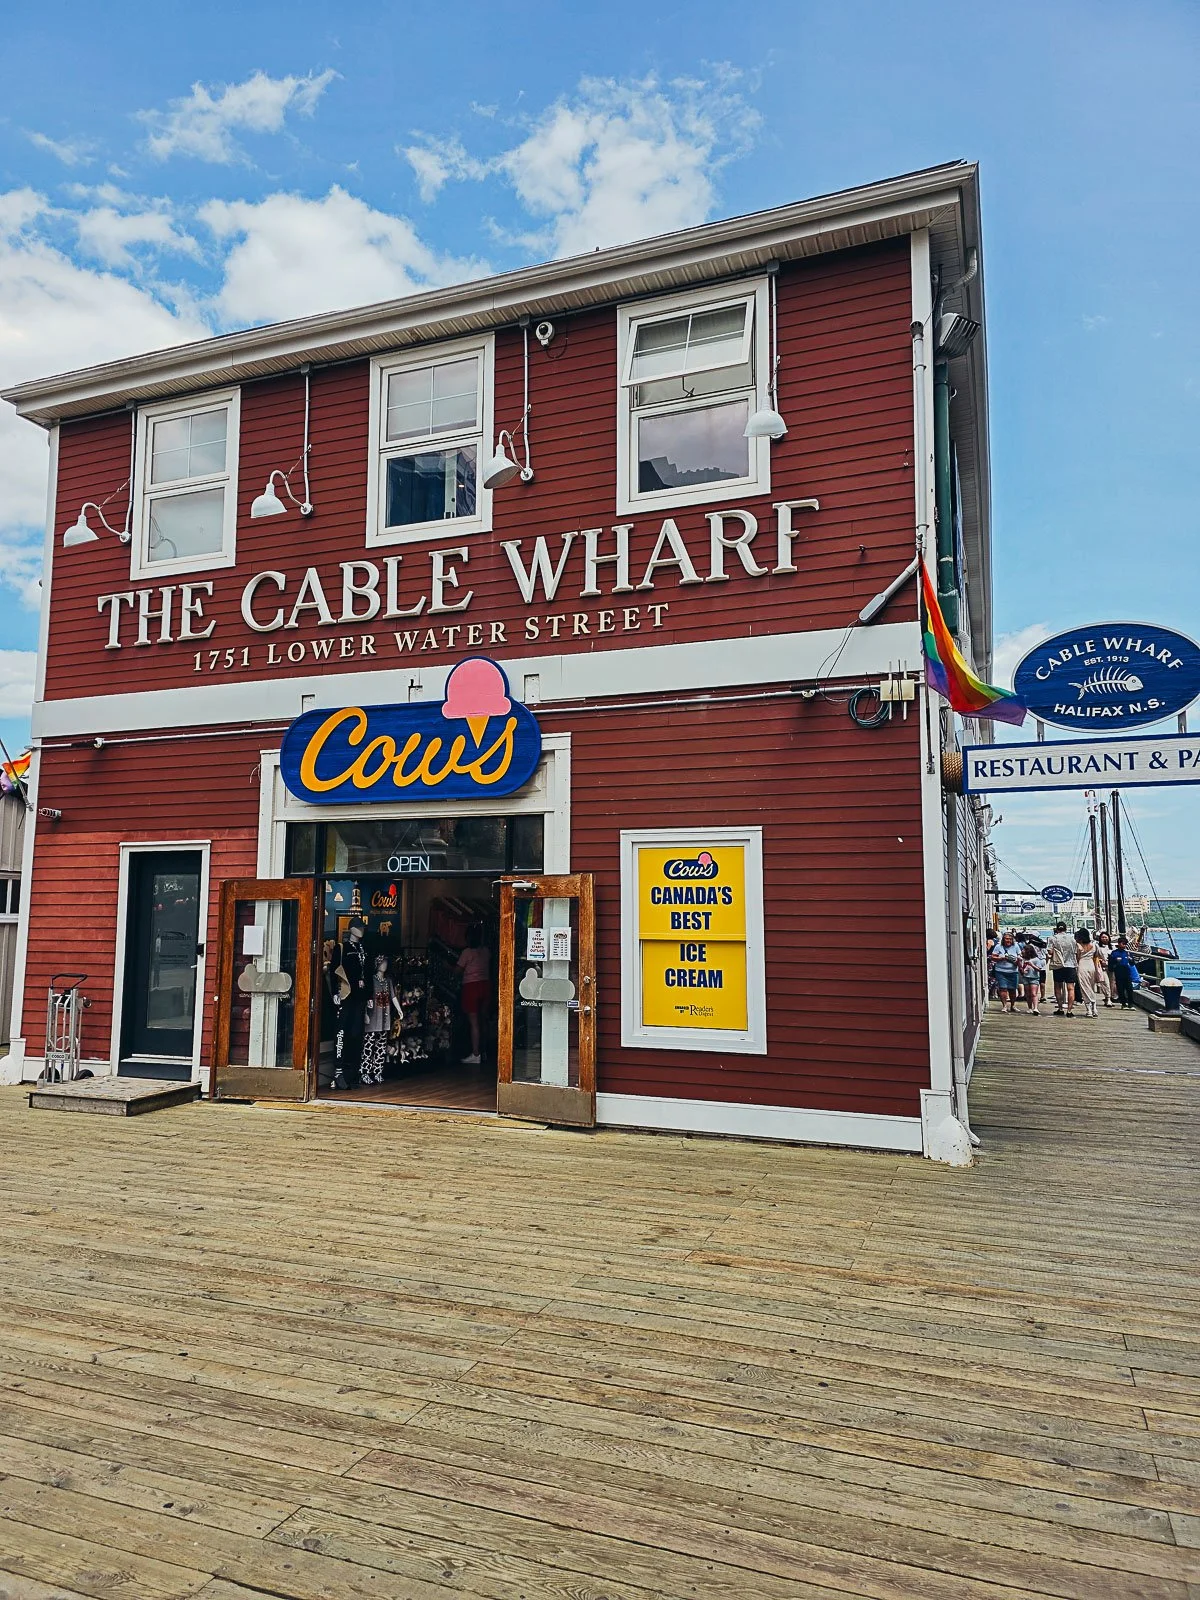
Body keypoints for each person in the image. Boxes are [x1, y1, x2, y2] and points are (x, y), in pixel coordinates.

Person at [360, 952, 402, 1086]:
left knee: (381, 1046)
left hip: (384, 1018)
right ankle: (365, 1072)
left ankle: (377, 1071)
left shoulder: (388, 980)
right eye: (382, 962)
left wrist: (399, 1009)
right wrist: (365, 1013)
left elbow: (393, 996)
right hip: (373, 1017)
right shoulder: (371, 980)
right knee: (369, 1045)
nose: (384, 965)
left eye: (386, 963)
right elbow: (366, 997)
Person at [456, 925, 491, 1066]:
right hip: (486, 985)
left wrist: (447, 966)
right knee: (484, 1020)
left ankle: (476, 1053)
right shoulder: (486, 951)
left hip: (471, 987)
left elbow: (457, 970)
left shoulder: (467, 953)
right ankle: (485, 1051)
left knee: (474, 1022)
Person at [1046, 922, 1079, 1017]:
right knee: (1070, 988)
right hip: (1071, 965)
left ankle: (1060, 1008)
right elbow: (1076, 952)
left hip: (1058, 965)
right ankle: (1069, 1010)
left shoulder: (1053, 938)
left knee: (1058, 987)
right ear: (1066, 928)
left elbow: (1050, 951)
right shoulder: (1072, 939)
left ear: (1057, 929)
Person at [988, 931, 1022, 1013]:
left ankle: (1013, 1005)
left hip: (1013, 971)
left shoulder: (1016, 946)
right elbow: (993, 956)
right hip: (1001, 971)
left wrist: (1018, 960)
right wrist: (1001, 958)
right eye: (1007, 939)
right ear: (1003, 939)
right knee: (1003, 988)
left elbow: (1020, 956)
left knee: (1013, 989)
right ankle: (1004, 1005)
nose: (1008, 940)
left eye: (1010, 939)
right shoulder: (998, 946)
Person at [1074, 929, 1102, 1018]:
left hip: (1082, 965)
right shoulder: (1094, 945)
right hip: (1091, 965)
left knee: (1084, 987)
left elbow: (1077, 957)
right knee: (1091, 986)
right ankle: (1094, 1007)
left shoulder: (1078, 945)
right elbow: (1098, 955)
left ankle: (1089, 1009)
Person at [1107, 936, 1140, 1008]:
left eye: (1125, 944)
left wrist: (1131, 959)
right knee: (1120, 988)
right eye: (1123, 944)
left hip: (1126, 971)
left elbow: (1132, 963)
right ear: (1119, 944)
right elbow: (1110, 964)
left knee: (1129, 988)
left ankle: (1130, 1003)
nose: (1124, 945)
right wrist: (1116, 960)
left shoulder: (1127, 953)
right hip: (1118, 971)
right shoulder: (1114, 953)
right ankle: (1123, 1003)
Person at [1019, 941, 1044, 1014]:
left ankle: (1035, 1008)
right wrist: (1021, 969)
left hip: (1034, 978)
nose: (1022, 951)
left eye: (1024, 950)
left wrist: (1032, 965)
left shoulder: (1035, 959)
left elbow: (1039, 969)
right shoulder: (1023, 959)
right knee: (1027, 993)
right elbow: (1021, 969)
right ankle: (1030, 1007)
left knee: (1033, 993)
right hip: (1026, 977)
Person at [1095, 932, 1113, 1006]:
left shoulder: (1112, 947)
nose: (1104, 938)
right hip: (1102, 967)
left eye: (1106, 937)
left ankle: (1108, 997)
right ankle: (1108, 998)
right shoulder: (1097, 947)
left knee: (1112, 983)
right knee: (1105, 983)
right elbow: (1095, 956)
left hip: (1111, 967)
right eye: (1102, 937)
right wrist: (1099, 960)